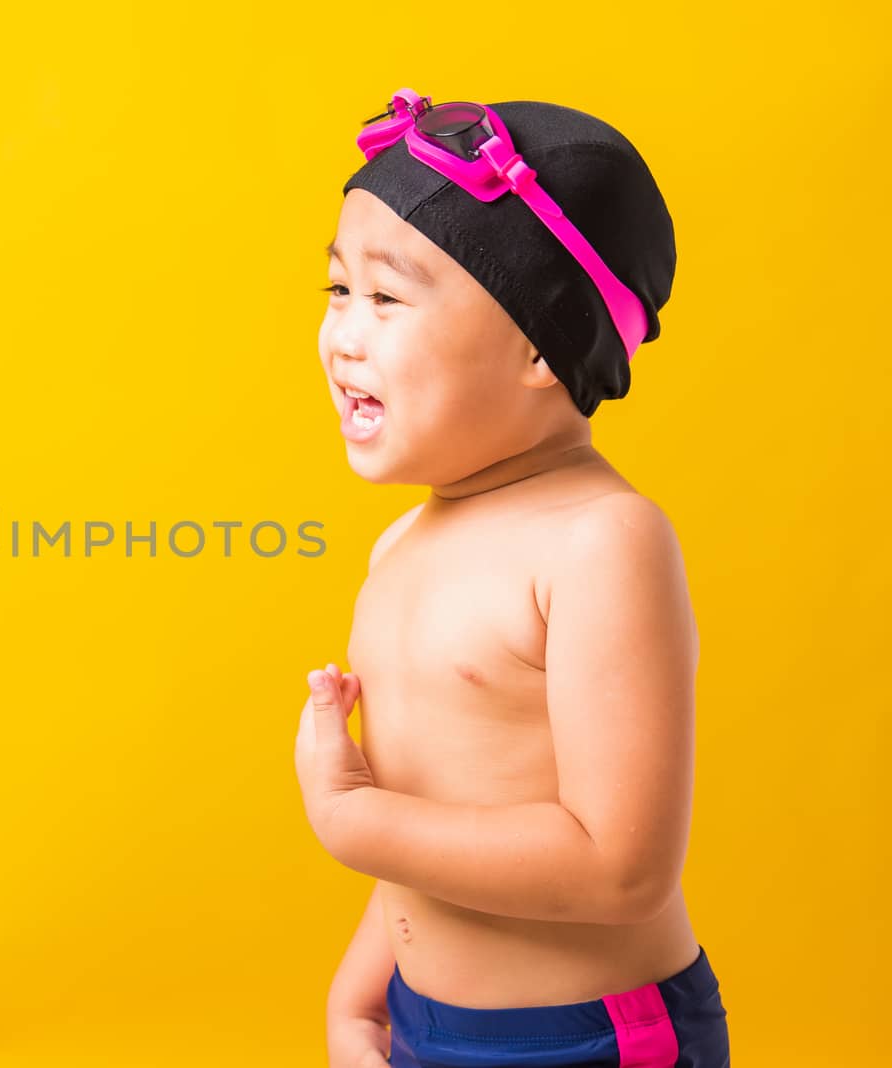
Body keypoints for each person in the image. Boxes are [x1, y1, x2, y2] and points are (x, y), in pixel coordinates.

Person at [292, 92, 730, 1067]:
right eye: (335, 291)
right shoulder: (403, 541)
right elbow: (448, 817)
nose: (343, 336)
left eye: (386, 299)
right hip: (422, 1023)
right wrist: (362, 992)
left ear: (540, 342)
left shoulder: (599, 542)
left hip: (585, 1041)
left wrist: (353, 822)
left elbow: (621, 868)